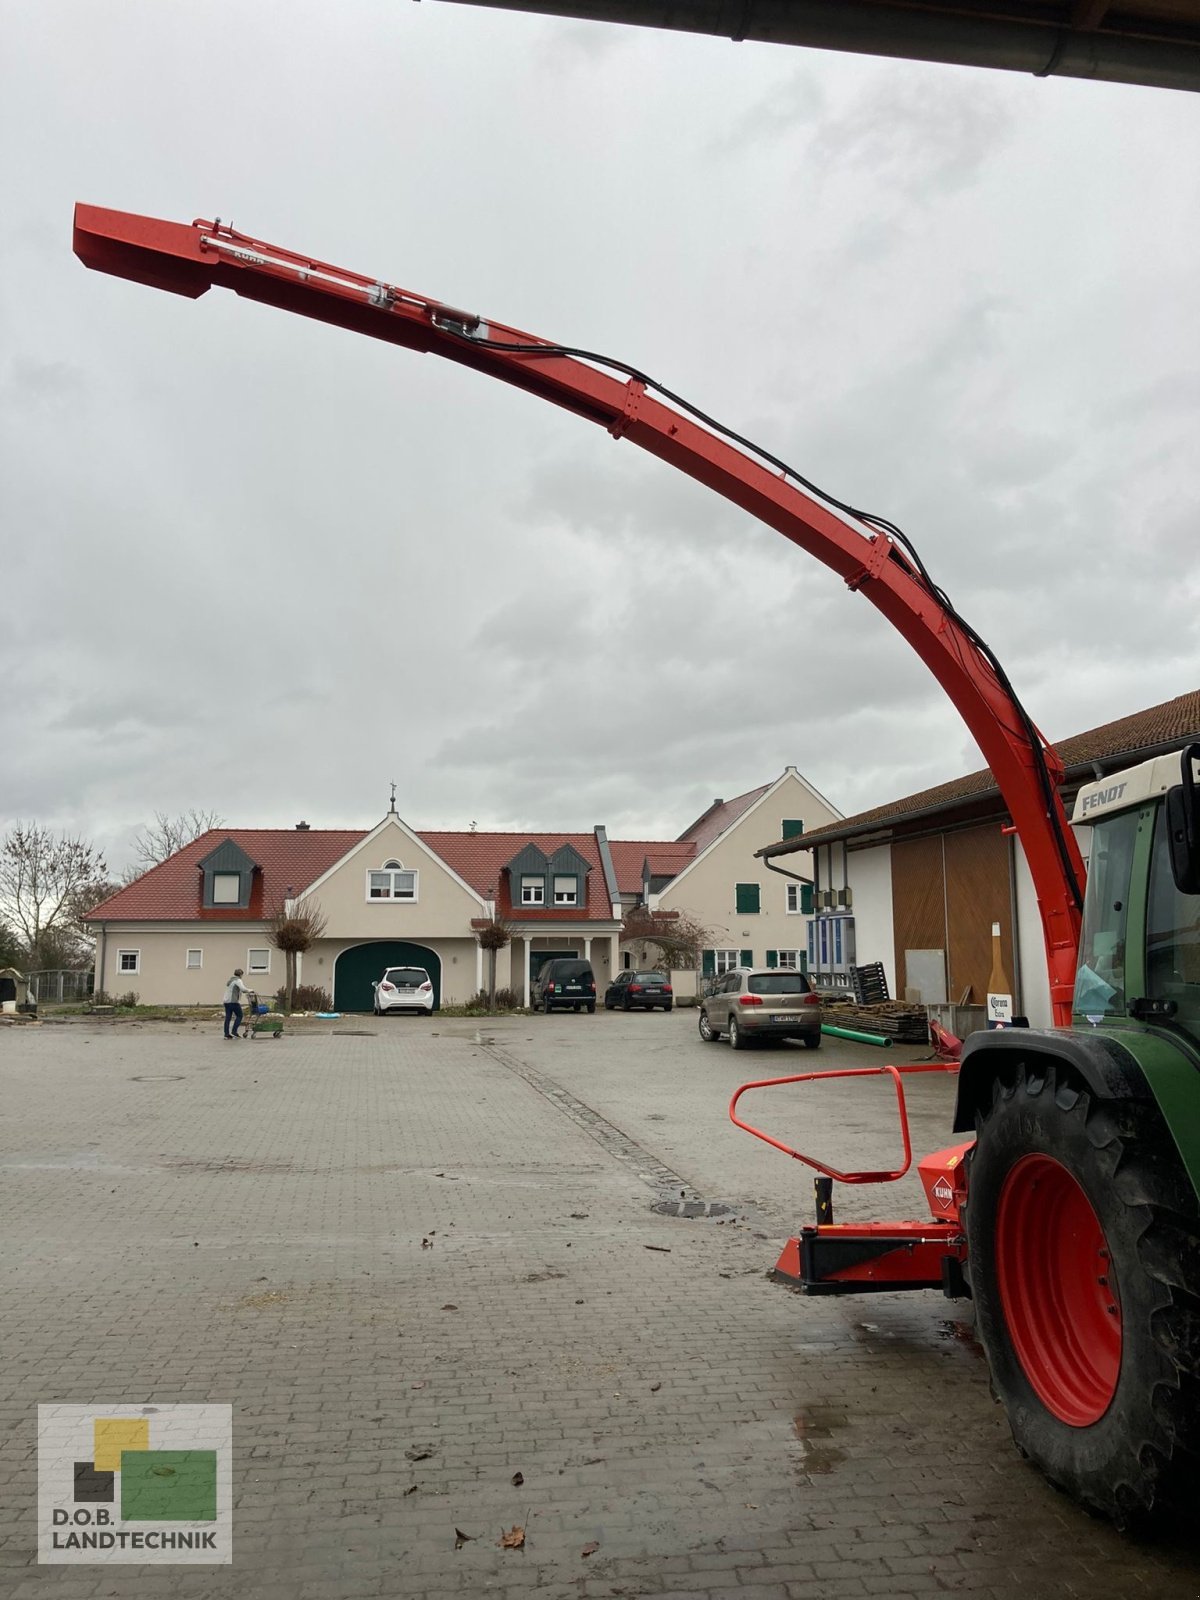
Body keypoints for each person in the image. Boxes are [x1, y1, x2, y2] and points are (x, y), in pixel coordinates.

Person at [223, 968, 250, 1039]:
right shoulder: (238, 980)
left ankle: (226, 1034)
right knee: (240, 1015)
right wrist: (250, 990)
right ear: (241, 974)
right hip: (233, 1001)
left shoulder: (230, 980)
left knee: (228, 1018)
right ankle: (234, 1031)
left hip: (226, 1001)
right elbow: (243, 989)